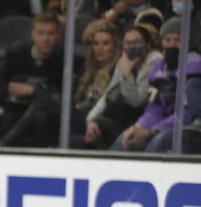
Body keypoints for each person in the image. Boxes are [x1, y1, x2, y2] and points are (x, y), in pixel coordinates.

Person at [111, 17, 201, 152]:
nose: (172, 45)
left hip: (189, 127)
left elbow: (185, 115)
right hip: (164, 124)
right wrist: (139, 128)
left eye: (177, 40)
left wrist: (151, 132)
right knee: (125, 138)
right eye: (167, 40)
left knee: (157, 142)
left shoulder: (194, 65)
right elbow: (155, 108)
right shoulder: (159, 67)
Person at [0, 11, 67, 147]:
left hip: (46, 117)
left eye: (50, 34)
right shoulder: (16, 54)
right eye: (41, 33)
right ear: (33, 34)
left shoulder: (64, 60)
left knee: (41, 118)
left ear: (58, 36)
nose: (45, 39)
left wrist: (33, 90)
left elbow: (62, 98)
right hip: (12, 109)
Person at [82, 22, 163, 149]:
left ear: (148, 44)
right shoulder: (124, 61)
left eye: (136, 42)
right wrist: (91, 119)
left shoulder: (156, 62)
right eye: (127, 43)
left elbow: (137, 101)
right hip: (129, 118)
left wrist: (127, 75)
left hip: (150, 119)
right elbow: (109, 94)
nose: (132, 47)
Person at [73, 21, 120, 129]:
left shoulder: (117, 73)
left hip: (102, 120)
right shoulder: (86, 71)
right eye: (96, 43)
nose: (99, 48)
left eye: (105, 43)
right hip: (80, 116)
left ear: (115, 47)